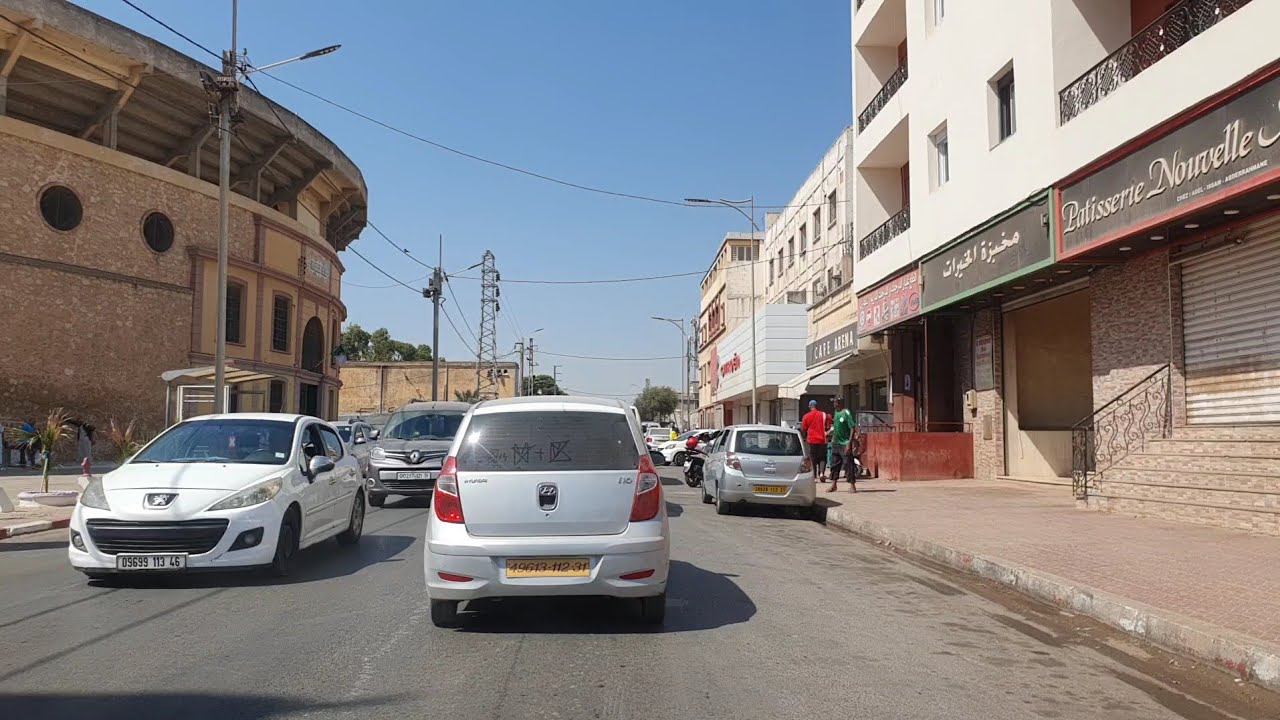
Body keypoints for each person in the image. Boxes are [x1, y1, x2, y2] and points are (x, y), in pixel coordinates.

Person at [828, 398, 857, 493]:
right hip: (836, 443)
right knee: (834, 464)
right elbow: (836, 427)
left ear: (839, 403)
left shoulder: (846, 413)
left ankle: (852, 485)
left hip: (845, 444)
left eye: (835, 402)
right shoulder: (836, 412)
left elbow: (852, 428)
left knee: (848, 465)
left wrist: (849, 444)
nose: (834, 404)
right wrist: (833, 438)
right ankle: (834, 484)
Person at [800, 400, 828, 482]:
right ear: (816, 406)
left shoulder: (806, 416)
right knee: (823, 457)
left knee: (813, 458)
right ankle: (822, 473)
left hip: (811, 440)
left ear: (810, 406)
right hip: (822, 440)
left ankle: (814, 476)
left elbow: (803, 429)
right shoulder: (823, 414)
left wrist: (805, 438)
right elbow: (827, 427)